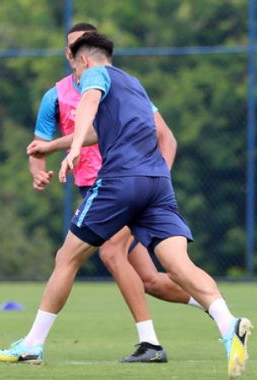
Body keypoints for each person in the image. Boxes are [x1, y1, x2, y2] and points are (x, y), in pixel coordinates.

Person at [0, 32, 252, 379]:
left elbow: (88, 104)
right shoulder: (133, 84)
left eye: (73, 62)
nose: (74, 71)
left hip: (120, 182)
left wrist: (71, 152)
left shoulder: (94, 75)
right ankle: (229, 325)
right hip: (157, 184)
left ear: (82, 60)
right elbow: (103, 130)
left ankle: (31, 345)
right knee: (177, 265)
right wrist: (57, 145)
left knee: (67, 257)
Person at [23, 23, 205, 363]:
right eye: (70, 46)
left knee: (108, 253)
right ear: (68, 54)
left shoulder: (118, 84)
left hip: (124, 185)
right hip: (95, 190)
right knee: (150, 280)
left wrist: (155, 181)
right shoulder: (56, 95)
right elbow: (40, 147)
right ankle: (217, 307)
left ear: (91, 52)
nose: (74, 51)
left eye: (80, 44)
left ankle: (149, 343)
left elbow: (167, 138)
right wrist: (39, 174)